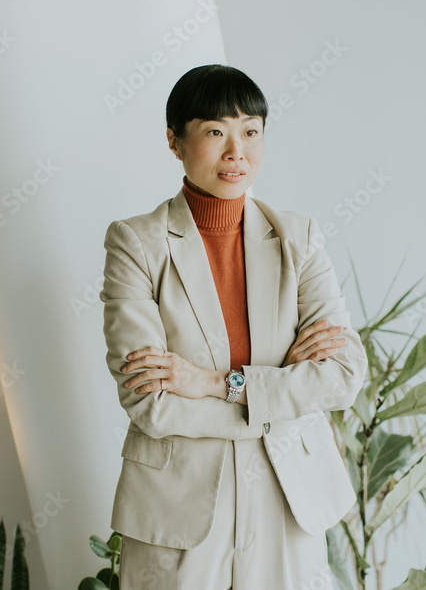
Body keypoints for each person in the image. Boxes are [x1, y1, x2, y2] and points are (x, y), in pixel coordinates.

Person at [99, 63, 368, 589]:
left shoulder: (298, 238)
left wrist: (211, 383)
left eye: (251, 132)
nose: (236, 152)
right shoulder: (135, 244)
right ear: (174, 141)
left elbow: (342, 375)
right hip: (179, 506)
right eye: (215, 132)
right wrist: (280, 391)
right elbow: (151, 403)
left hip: (288, 498)